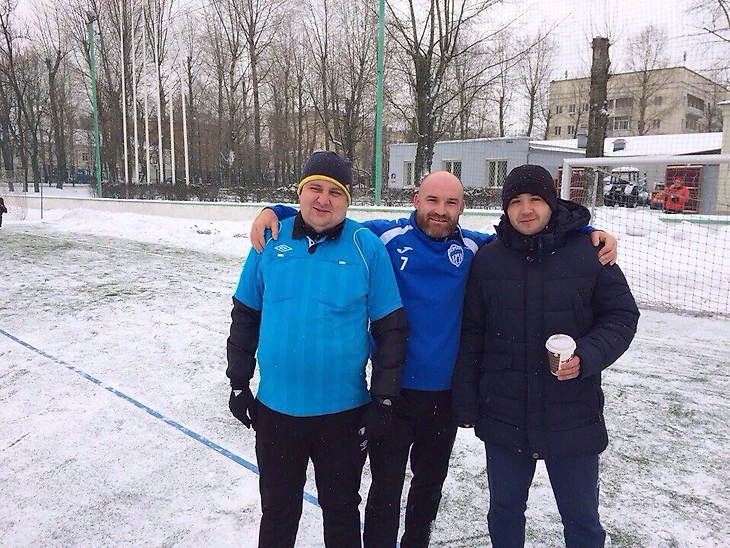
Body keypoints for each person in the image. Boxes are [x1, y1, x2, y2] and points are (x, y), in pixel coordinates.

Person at [250, 170, 617, 548]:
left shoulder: (477, 248)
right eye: (432, 200)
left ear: (462, 208)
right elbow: (328, 216)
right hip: (392, 395)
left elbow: (532, 234)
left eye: (451, 202)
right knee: (385, 491)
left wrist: (586, 232)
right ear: (415, 200)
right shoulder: (383, 237)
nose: (440, 210)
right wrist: (275, 210)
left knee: (428, 488)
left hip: (444, 399)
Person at [227, 150, 409, 548]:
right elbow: (245, 315)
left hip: (341, 417)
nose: (323, 199)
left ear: (347, 200)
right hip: (276, 413)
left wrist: (383, 399)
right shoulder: (270, 241)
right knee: (277, 512)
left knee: (341, 513)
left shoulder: (365, 246)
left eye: (335, 192)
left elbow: (391, 330)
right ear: (300, 192)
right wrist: (239, 382)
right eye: (315, 188)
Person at [451, 164, 640, 548]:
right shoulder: (487, 260)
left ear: (552, 202)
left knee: (582, 519)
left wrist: (586, 355)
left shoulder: (589, 254)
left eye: (535, 199)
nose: (526, 210)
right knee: (504, 511)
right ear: (505, 208)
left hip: (573, 414)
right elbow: (472, 335)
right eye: (516, 201)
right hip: (504, 413)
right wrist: (466, 401)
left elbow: (622, 316)